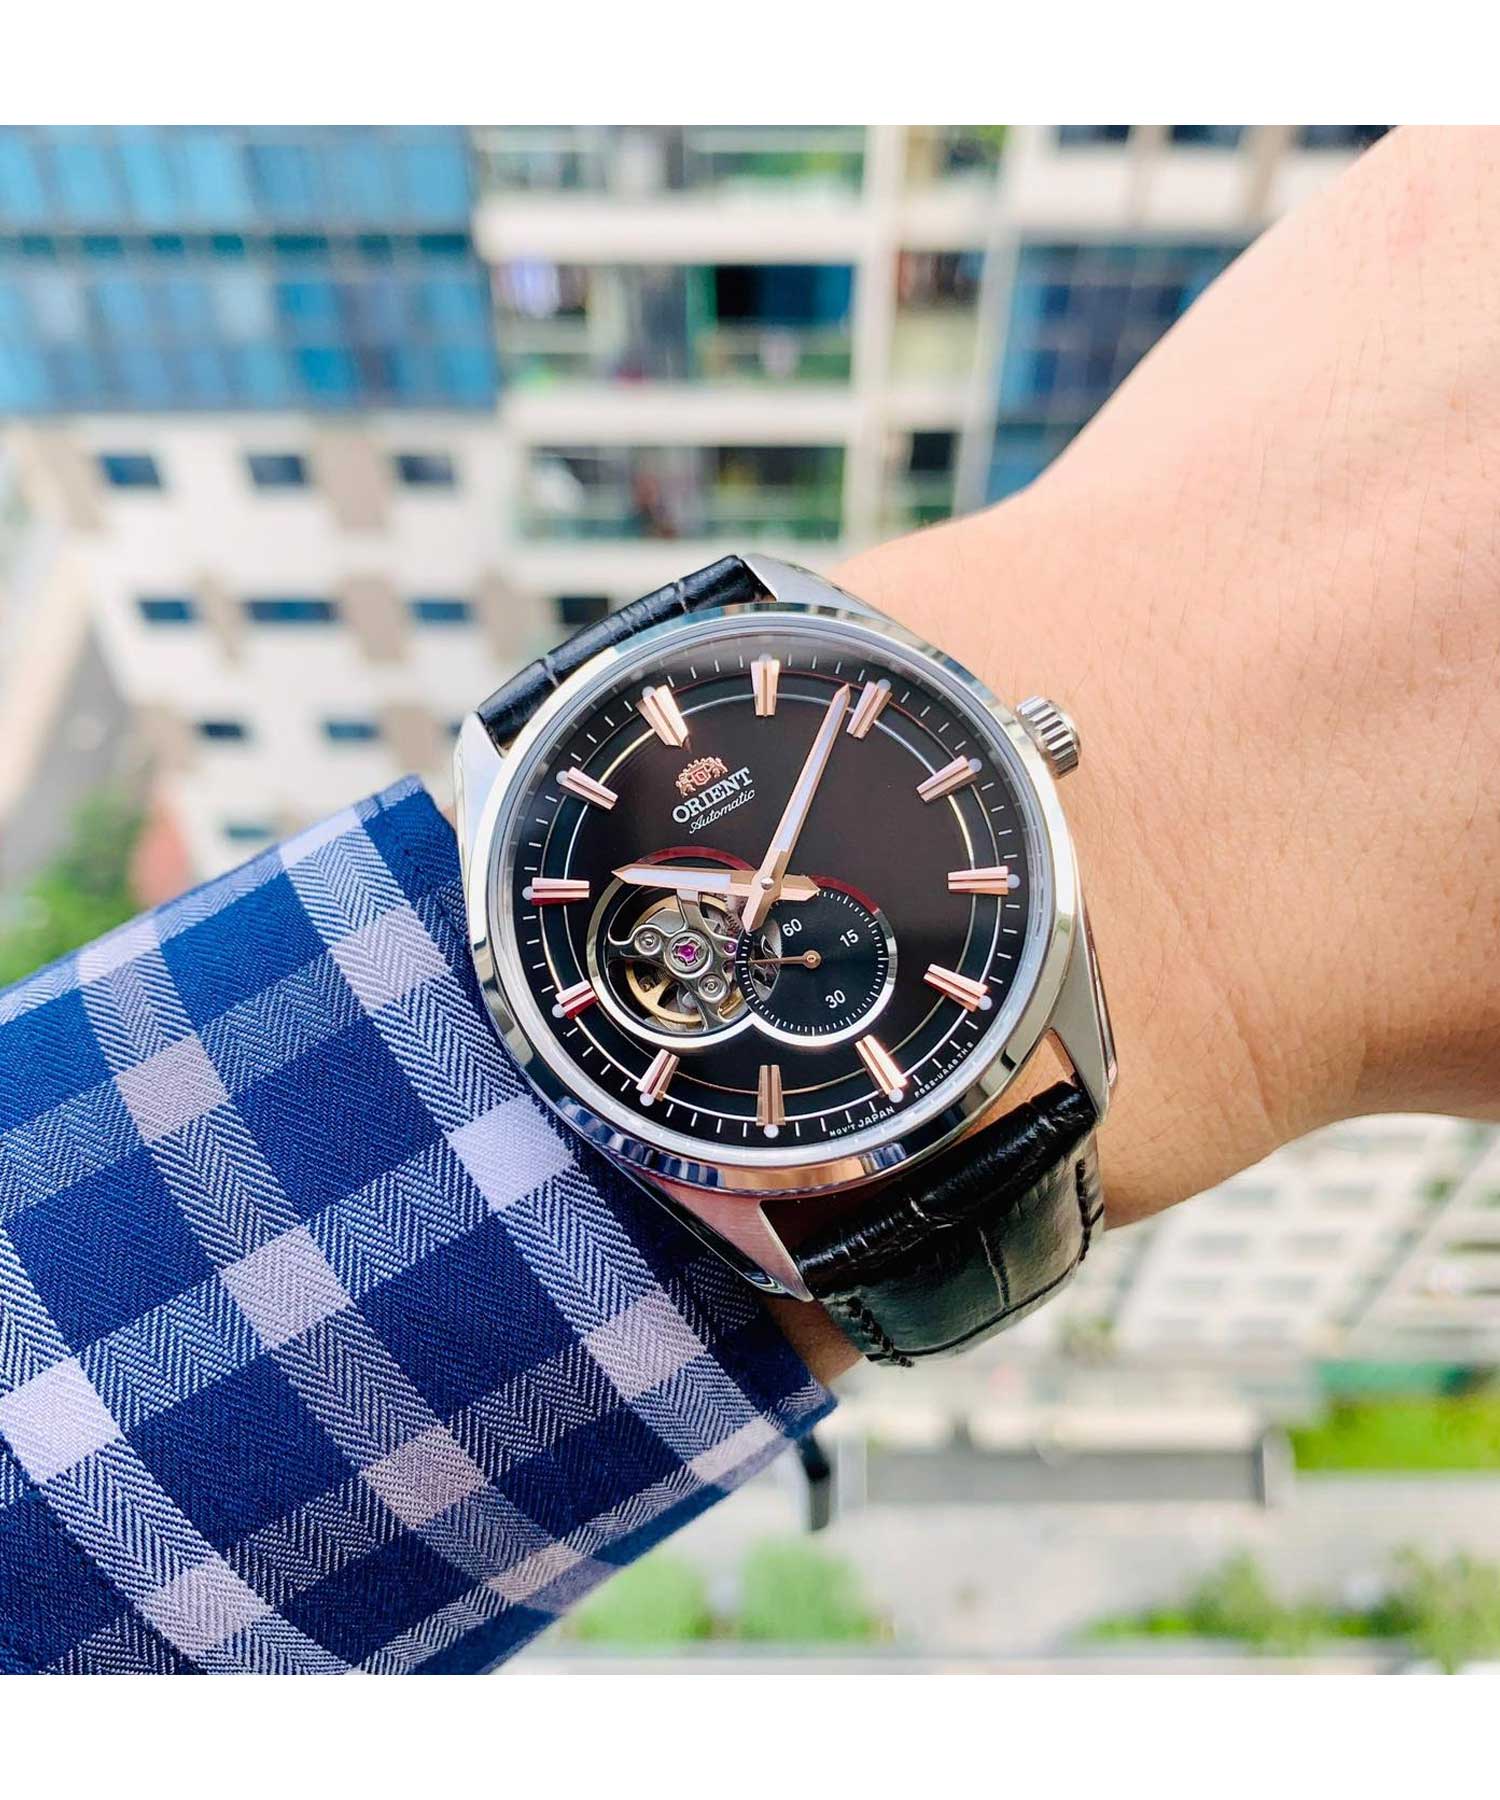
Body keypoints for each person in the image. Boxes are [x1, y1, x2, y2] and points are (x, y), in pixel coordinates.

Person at [1, 124, 1495, 1671]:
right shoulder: (608, 1008)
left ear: (1026, 741)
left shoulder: (988, 881)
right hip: (767, 1118)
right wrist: (1195, 924)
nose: (759, 893)